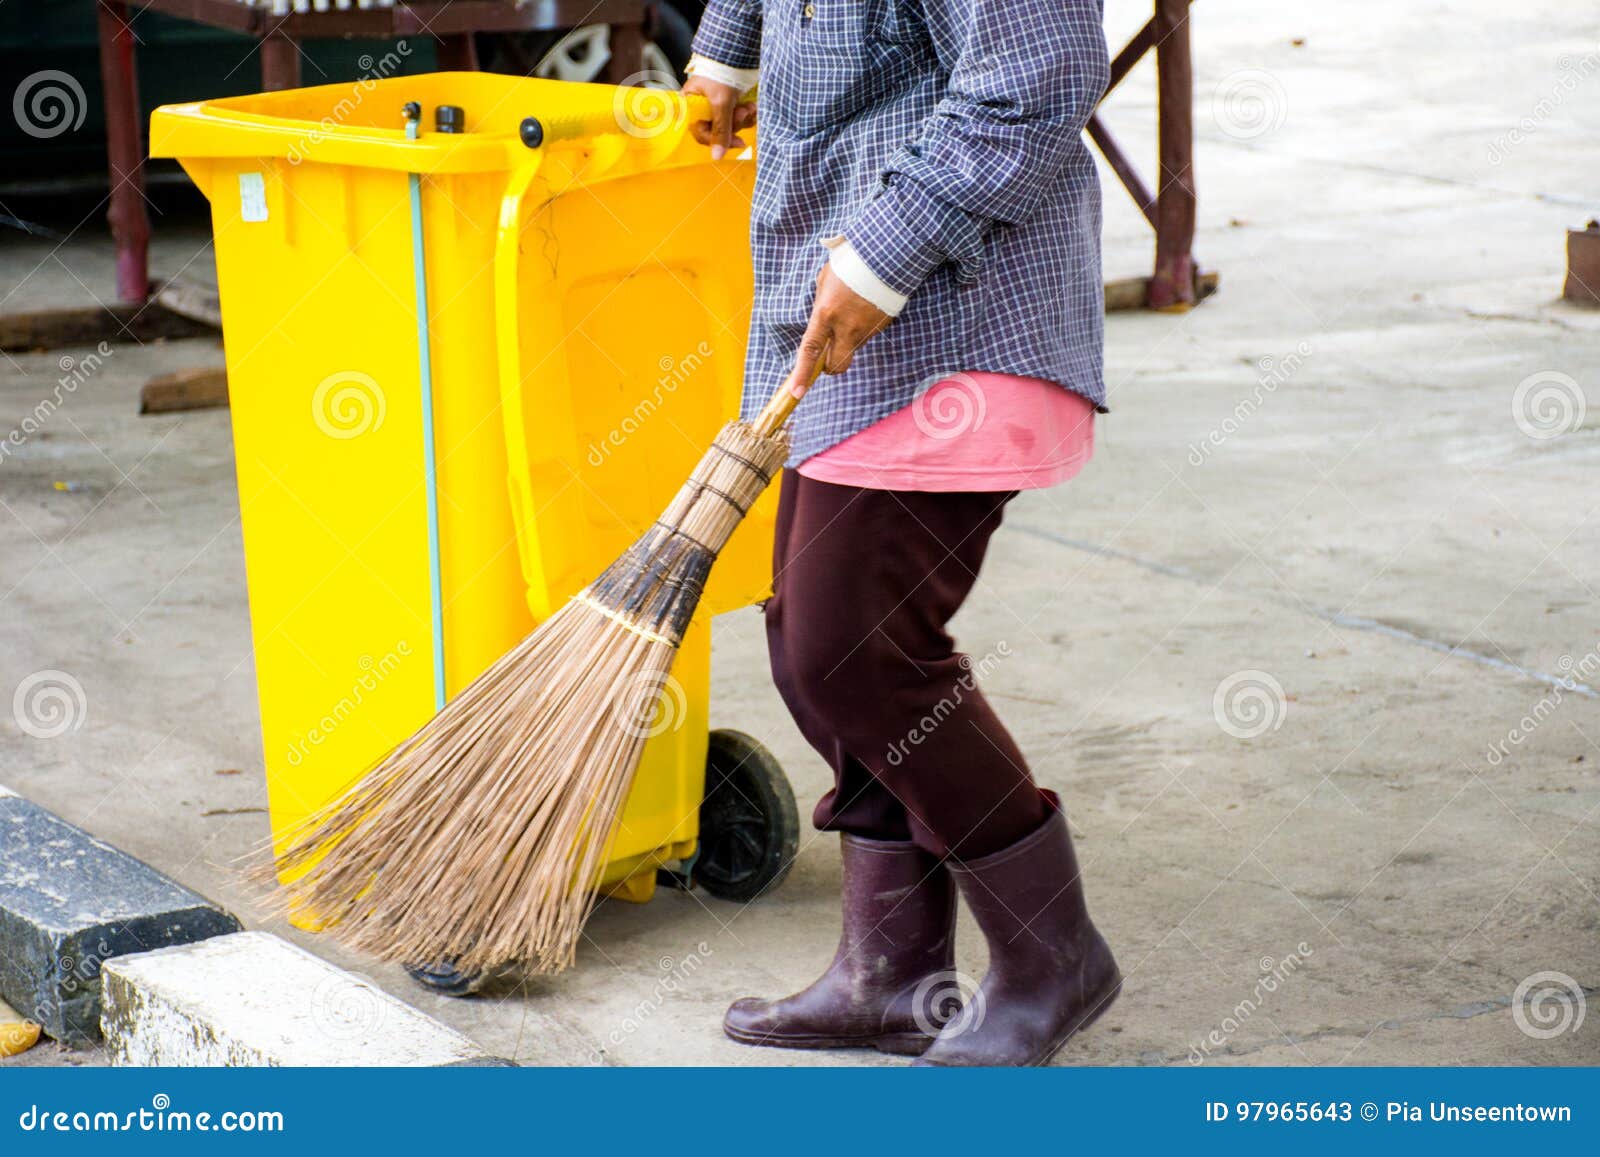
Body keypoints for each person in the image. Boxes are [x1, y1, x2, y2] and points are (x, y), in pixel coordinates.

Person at [682, 0, 1118, 1067]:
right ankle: (890, 974)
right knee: (810, 650)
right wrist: (724, 52)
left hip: (959, 316)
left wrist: (882, 256)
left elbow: (1037, 77)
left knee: (856, 651)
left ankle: (1051, 956)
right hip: (848, 306)